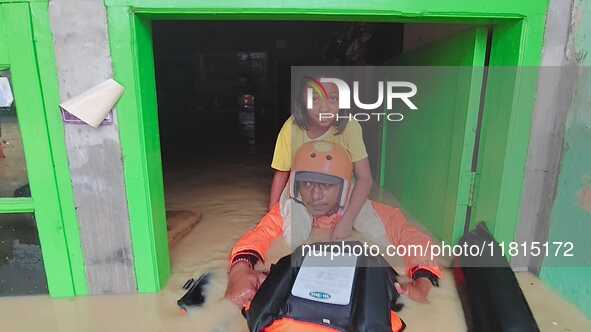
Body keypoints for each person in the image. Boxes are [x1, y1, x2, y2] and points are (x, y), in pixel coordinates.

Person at [226, 141, 442, 317]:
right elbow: (259, 235)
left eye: (327, 185)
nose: (315, 195)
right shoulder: (291, 208)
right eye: (307, 183)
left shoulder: (360, 207)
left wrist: (423, 279)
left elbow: (411, 236)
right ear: (296, 186)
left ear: (345, 189)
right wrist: (240, 271)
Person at [269, 77, 373, 241]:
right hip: (301, 194)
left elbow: (365, 179)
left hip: (340, 194)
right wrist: (271, 216)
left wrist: (347, 220)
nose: (324, 108)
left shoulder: (350, 126)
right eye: (314, 98)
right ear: (302, 100)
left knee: (372, 227)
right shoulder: (291, 127)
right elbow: (281, 174)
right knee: (291, 234)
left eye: (332, 98)